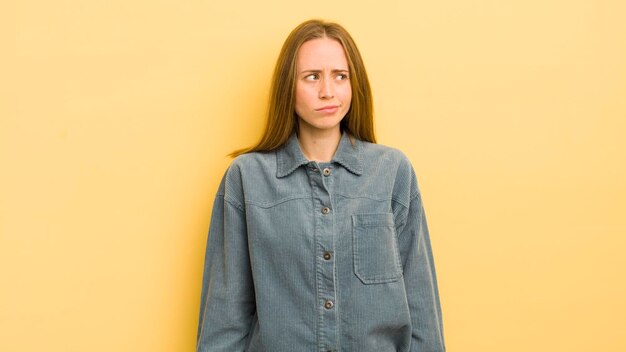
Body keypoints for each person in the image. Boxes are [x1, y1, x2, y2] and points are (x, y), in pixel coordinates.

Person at [196, 19, 445, 352]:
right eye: (311, 76)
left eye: (340, 76)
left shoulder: (392, 172)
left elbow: (421, 308)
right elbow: (225, 319)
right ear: (289, 86)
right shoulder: (246, 178)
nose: (328, 91)